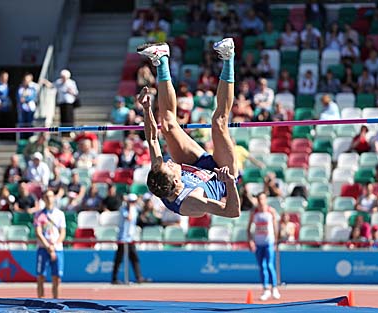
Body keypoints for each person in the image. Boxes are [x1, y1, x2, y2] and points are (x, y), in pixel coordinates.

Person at [137, 38, 241, 218]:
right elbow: (232, 212)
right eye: (170, 166)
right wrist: (230, 183)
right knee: (218, 122)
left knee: (168, 125)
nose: (169, 162)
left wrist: (146, 110)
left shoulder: (159, 172)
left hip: (196, 166)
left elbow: (152, 138)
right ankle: (229, 56)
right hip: (221, 177)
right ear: (177, 180)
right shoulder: (191, 202)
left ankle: (161, 59)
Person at [247, 192, 281, 301]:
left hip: (269, 243)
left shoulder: (271, 211)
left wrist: (276, 241)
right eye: (259, 199)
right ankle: (266, 289)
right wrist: (251, 241)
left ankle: (274, 288)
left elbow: (275, 227)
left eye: (262, 199)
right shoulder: (254, 212)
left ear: (266, 200)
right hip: (258, 243)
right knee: (262, 266)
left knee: (270, 265)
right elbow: (248, 229)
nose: (261, 201)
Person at [34, 190, 66, 299]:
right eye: (46, 196)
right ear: (43, 198)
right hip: (43, 248)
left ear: (54, 198)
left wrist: (54, 245)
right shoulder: (39, 214)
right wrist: (48, 246)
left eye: (51, 196)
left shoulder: (60, 214)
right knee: (41, 276)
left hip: (57, 249)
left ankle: (56, 301)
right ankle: (40, 301)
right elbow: (38, 232)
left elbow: (63, 233)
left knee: (57, 277)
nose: (49, 199)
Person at [111, 193, 148, 284]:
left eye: (133, 201)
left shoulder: (135, 209)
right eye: (131, 201)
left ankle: (139, 277)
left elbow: (143, 208)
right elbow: (130, 218)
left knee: (134, 258)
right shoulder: (123, 209)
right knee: (119, 259)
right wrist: (131, 205)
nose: (132, 203)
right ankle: (114, 278)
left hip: (130, 238)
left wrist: (139, 200)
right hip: (123, 238)